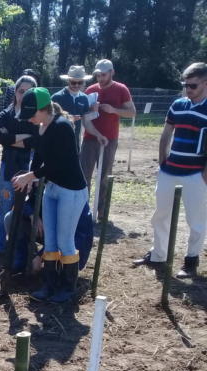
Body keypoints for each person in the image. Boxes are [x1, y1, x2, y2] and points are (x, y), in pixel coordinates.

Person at [12, 88, 88, 303]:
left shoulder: (63, 127)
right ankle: (49, 283)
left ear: (44, 109)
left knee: (65, 240)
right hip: (52, 189)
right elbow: (38, 157)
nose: (30, 119)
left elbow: (58, 164)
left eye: (32, 114)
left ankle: (68, 287)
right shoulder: (40, 127)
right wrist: (31, 178)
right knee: (51, 240)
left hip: (71, 191)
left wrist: (31, 176)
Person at [133, 62, 207, 278]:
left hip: (195, 173)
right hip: (170, 170)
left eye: (192, 85)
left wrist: (205, 174)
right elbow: (166, 133)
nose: (188, 89)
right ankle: (158, 255)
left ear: (205, 83)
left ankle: (191, 261)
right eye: (185, 85)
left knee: (196, 220)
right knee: (160, 215)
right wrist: (162, 161)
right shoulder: (178, 105)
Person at [80, 59, 136, 219]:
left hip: (110, 139)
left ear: (112, 72)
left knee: (104, 175)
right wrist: (92, 109)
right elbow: (84, 115)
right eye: (98, 75)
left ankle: (102, 211)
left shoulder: (121, 89)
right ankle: (83, 209)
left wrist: (113, 110)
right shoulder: (90, 90)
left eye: (103, 75)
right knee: (84, 174)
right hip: (90, 138)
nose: (100, 78)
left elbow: (132, 112)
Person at [0, 74, 38, 257]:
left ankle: (21, 247)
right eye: (21, 91)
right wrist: (25, 138)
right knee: (5, 205)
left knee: (27, 206)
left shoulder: (35, 117)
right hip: (9, 166)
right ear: (15, 92)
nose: (24, 95)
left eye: (28, 92)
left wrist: (12, 139)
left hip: (30, 166)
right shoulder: (5, 115)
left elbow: (36, 141)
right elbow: (0, 138)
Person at [51, 65, 94, 150]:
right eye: (73, 82)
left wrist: (94, 112)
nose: (77, 85)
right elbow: (48, 119)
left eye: (80, 82)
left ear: (84, 82)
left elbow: (86, 121)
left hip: (75, 143)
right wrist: (68, 118)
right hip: (57, 142)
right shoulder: (56, 97)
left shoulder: (84, 98)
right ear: (68, 81)